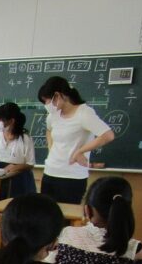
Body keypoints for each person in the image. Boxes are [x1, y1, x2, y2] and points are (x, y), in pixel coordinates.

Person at [38, 76, 115, 204]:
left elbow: (108, 135)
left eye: (47, 101)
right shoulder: (53, 115)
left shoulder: (84, 113)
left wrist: (80, 151)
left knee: (67, 214)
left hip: (72, 176)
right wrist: (51, 148)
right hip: (50, 172)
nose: (46, 105)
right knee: (45, 212)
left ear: (58, 95)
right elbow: (49, 130)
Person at [0, 102, 36, 198]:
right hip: (1, 173)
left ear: (11, 121)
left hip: (20, 176)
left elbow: (30, 164)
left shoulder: (25, 138)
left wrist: (16, 167)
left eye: (0, 120)